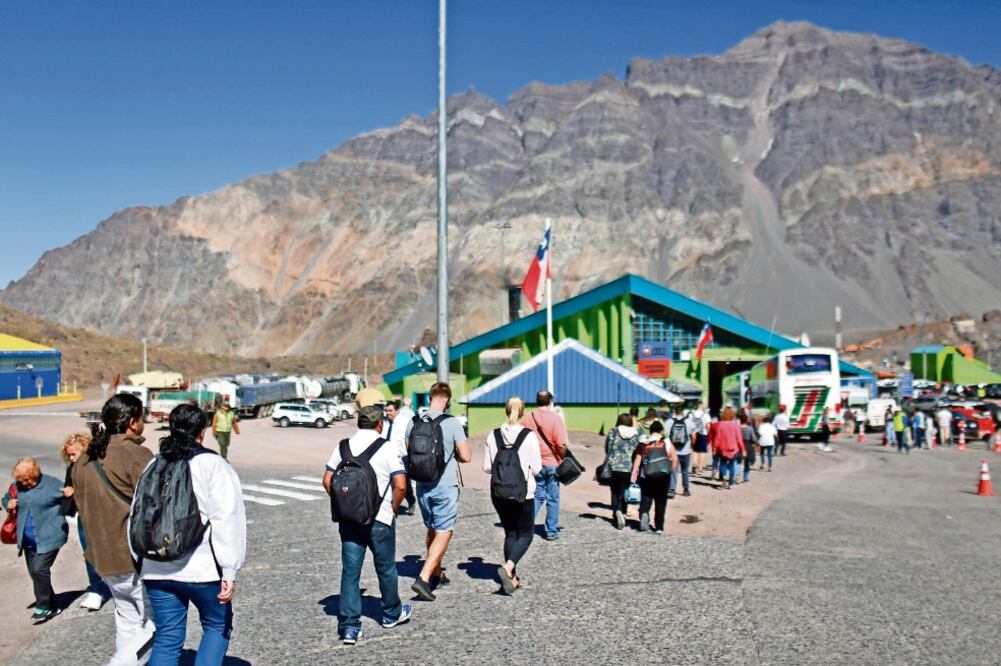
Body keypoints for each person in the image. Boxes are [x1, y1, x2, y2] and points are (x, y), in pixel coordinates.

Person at [135, 404, 247, 665]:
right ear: (202, 432)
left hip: (156, 567)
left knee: (167, 637)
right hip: (202, 569)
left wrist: (140, 561)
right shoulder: (213, 464)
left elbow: (137, 513)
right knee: (217, 626)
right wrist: (229, 570)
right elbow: (227, 519)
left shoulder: (154, 463)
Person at [73, 393, 156, 665]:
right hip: (133, 557)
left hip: (101, 557)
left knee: (127, 622)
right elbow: (155, 506)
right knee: (154, 626)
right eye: (142, 417)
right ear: (132, 422)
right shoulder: (136, 455)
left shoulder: (84, 459)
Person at [324, 404, 411, 645]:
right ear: (380, 424)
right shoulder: (386, 448)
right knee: (386, 567)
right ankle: (391, 613)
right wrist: (393, 508)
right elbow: (401, 485)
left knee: (350, 572)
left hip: (349, 520)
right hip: (380, 519)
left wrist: (345, 505)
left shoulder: (343, 447)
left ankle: (349, 627)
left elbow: (327, 480)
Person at [405, 382, 471, 602]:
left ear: (430, 397)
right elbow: (466, 456)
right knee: (444, 531)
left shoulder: (414, 421)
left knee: (432, 528)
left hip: (422, 484)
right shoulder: (451, 422)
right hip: (445, 484)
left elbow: (409, 451)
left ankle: (436, 573)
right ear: (447, 400)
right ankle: (424, 577)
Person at [483, 397, 542, 594]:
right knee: (526, 534)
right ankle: (508, 568)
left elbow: (486, 467)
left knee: (510, 532)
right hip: (523, 492)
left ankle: (511, 579)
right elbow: (536, 469)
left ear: (506, 411)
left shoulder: (493, 435)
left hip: (499, 492)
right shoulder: (529, 436)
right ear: (523, 413)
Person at [3, 458, 68, 623]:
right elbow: (6, 498)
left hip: (50, 537)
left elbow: (72, 498)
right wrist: (8, 504)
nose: (23, 483)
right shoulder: (17, 486)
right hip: (28, 541)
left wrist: (70, 495)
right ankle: (53, 606)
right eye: (20, 480)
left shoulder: (52, 485)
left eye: (26, 480)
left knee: (39, 569)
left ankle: (44, 606)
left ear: (35, 475)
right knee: (35, 572)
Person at [59, 432, 111, 611]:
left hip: (105, 516)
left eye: (74, 454)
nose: (71, 458)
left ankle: (112, 584)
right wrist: (70, 493)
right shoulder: (72, 469)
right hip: (85, 516)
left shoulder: (99, 465)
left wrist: (76, 492)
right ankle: (96, 590)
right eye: (68, 455)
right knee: (89, 554)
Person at [522, 390, 568, 542]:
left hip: (534, 463)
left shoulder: (527, 417)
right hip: (552, 463)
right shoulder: (555, 418)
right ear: (550, 402)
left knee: (537, 495)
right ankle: (551, 531)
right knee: (553, 498)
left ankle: (526, 526)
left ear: (537, 401)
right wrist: (564, 459)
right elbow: (560, 444)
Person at [630, 425, 676, 534]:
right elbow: (674, 458)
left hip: (646, 475)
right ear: (661, 431)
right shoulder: (667, 442)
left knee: (646, 498)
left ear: (650, 431)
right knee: (661, 502)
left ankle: (644, 513)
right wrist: (670, 471)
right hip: (663, 476)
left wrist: (634, 473)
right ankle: (659, 527)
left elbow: (638, 458)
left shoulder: (644, 441)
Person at [602, 414, 641, 529]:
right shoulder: (636, 434)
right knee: (625, 491)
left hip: (613, 467)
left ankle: (616, 512)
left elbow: (607, 447)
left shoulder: (613, 431)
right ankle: (623, 512)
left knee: (614, 491)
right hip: (628, 468)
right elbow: (637, 451)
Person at [384, 400, 417, 515]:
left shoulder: (405, 422)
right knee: (387, 482)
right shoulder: (385, 423)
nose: (388, 413)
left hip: (402, 459)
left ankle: (411, 501)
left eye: (390, 410)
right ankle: (390, 506)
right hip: (387, 458)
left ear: (397, 410)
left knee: (404, 484)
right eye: (386, 410)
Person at [712, 408, 745, 490]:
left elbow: (717, 439)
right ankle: (730, 483)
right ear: (732, 415)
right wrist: (743, 449)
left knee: (723, 464)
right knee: (732, 466)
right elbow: (739, 439)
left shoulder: (720, 425)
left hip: (722, 448)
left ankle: (724, 477)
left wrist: (715, 449)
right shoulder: (735, 425)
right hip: (733, 449)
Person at [665, 405, 694, 497]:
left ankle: (672, 490)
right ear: (682, 412)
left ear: (675, 411)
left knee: (673, 470)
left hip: (673, 451)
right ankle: (686, 490)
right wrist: (691, 446)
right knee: (685, 470)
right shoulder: (689, 421)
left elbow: (665, 436)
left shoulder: (669, 422)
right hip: (686, 451)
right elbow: (694, 436)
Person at [689, 402, 710, 474]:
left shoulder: (691, 414)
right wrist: (707, 433)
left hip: (693, 434)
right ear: (701, 406)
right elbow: (708, 426)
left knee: (694, 450)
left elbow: (689, 424)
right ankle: (700, 469)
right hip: (703, 434)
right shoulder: (706, 415)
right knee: (702, 452)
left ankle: (694, 465)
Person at [738, 412, 757, 483]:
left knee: (738, 461)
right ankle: (746, 478)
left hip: (739, 445)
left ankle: (737, 476)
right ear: (746, 420)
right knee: (747, 462)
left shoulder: (737, 428)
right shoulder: (750, 428)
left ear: (740, 420)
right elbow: (753, 438)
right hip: (748, 444)